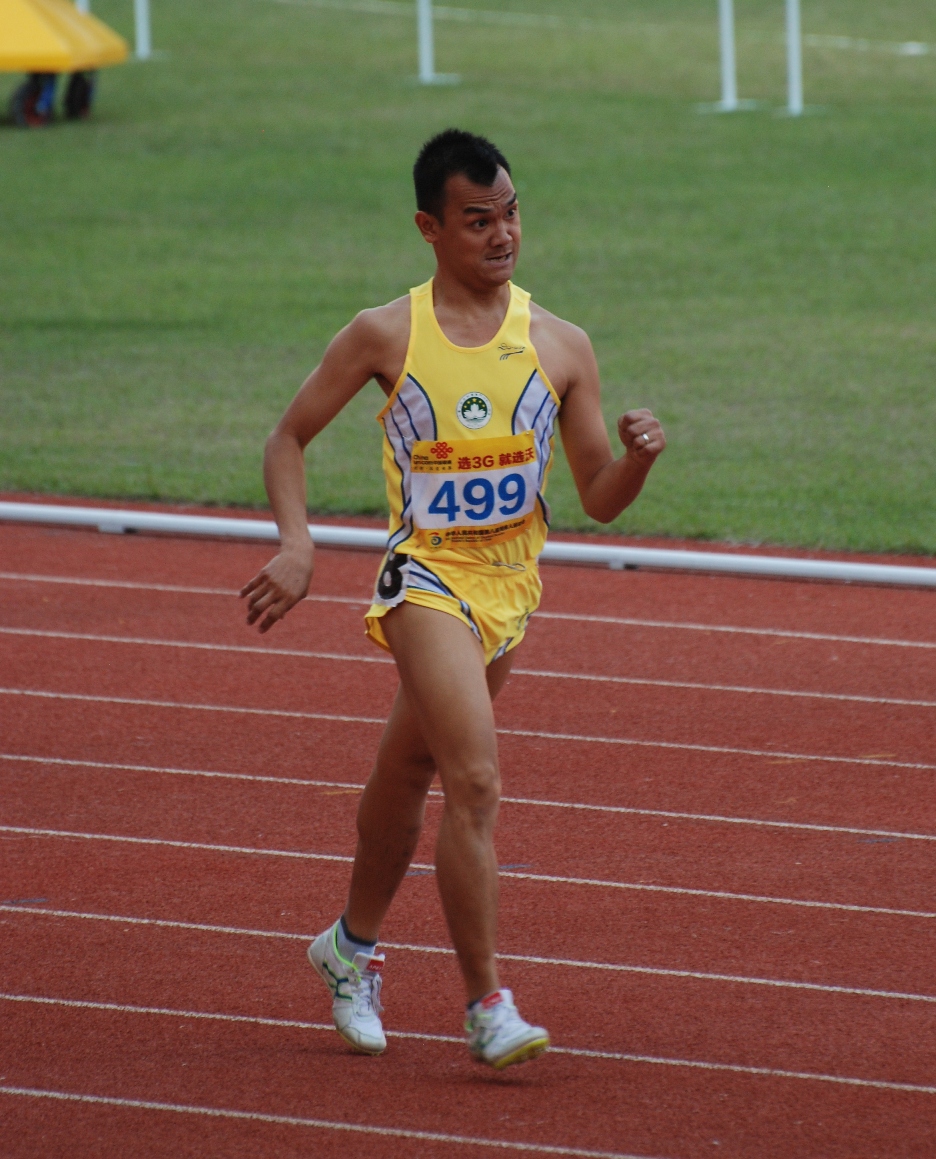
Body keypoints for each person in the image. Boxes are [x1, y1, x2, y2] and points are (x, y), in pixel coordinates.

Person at [241, 129, 665, 1070]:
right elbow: (286, 438)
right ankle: (487, 1004)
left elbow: (597, 495)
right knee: (474, 780)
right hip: (425, 580)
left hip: (511, 591)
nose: (502, 234)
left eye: (511, 213)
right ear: (429, 228)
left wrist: (637, 460)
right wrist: (299, 543)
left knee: (408, 772)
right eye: (478, 221)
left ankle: (347, 948)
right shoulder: (386, 334)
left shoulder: (560, 345)